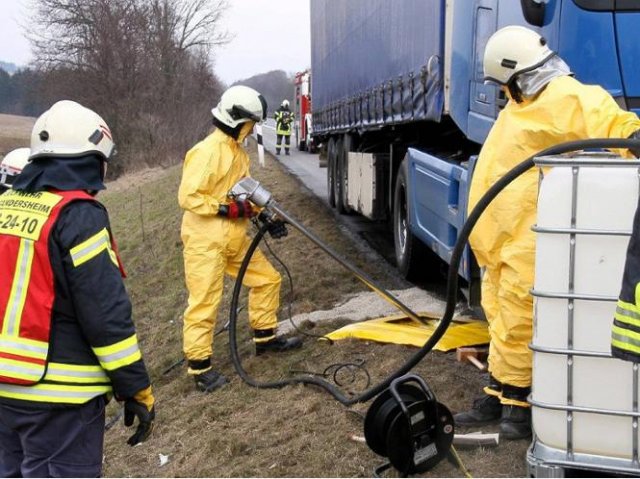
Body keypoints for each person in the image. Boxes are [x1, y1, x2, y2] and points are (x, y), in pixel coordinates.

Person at [456, 25, 640, 440]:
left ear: (516, 74)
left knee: (520, 317)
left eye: (504, 83)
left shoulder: (559, 95)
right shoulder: (521, 105)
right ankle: (498, 390)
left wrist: (631, 137)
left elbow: (600, 113)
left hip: (523, 236)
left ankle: (518, 407)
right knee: (501, 317)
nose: (503, 90)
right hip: (496, 241)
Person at [0, 100, 155, 477]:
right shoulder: (78, 215)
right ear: (91, 159)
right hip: (61, 400)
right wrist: (135, 388)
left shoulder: (4, 206)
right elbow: (105, 315)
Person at [179, 85, 302, 393]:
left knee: (268, 280)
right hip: (205, 241)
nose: (252, 130)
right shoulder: (207, 151)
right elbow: (188, 197)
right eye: (250, 124)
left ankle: (265, 339)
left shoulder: (237, 152)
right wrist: (226, 209)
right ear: (236, 119)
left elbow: (242, 191)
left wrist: (264, 217)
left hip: (234, 239)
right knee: (205, 302)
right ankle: (200, 367)